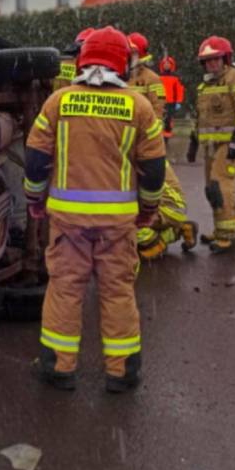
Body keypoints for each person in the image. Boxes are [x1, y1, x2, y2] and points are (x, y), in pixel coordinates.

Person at [24, 27, 166, 393]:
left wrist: (34, 200)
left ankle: (58, 367)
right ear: (123, 64)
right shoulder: (139, 106)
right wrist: (148, 209)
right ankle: (122, 372)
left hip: (67, 222)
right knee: (117, 290)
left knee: (65, 288)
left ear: (83, 60)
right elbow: (153, 170)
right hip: (118, 223)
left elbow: (36, 160)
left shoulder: (58, 101)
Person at [125, 33, 198, 258]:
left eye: (132, 53)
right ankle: (169, 231)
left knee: (136, 222)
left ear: (141, 55)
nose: (128, 57)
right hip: (126, 151)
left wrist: (144, 144)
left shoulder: (152, 80)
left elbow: (157, 116)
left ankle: (165, 236)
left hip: (144, 151)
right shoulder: (120, 79)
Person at [187, 36, 235, 254]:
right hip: (210, 146)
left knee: (220, 185)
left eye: (216, 59)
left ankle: (228, 235)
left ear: (225, 59)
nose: (212, 64)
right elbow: (201, 117)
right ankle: (221, 229)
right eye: (207, 61)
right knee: (211, 190)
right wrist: (193, 141)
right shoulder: (204, 86)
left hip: (229, 144)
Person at [159, 56, 185, 144]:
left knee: (168, 121)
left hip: (171, 103)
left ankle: (166, 139)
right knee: (159, 121)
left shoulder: (175, 77)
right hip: (160, 102)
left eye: (168, 64)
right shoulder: (158, 77)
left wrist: (178, 101)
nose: (166, 65)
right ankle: (159, 138)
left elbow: (179, 90)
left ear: (172, 65)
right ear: (162, 65)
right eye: (165, 64)